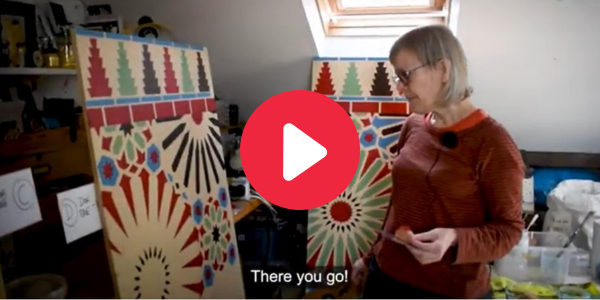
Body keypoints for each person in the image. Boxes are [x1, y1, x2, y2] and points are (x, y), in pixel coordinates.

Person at [351, 25, 524, 299]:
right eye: (398, 77)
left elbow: (509, 232)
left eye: (405, 76)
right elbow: (399, 205)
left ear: (443, 70)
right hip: (385, 278)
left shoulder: (493, 144)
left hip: (448, 291)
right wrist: (371, 256)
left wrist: (455, 238)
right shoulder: (414, 125)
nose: (399, 87)